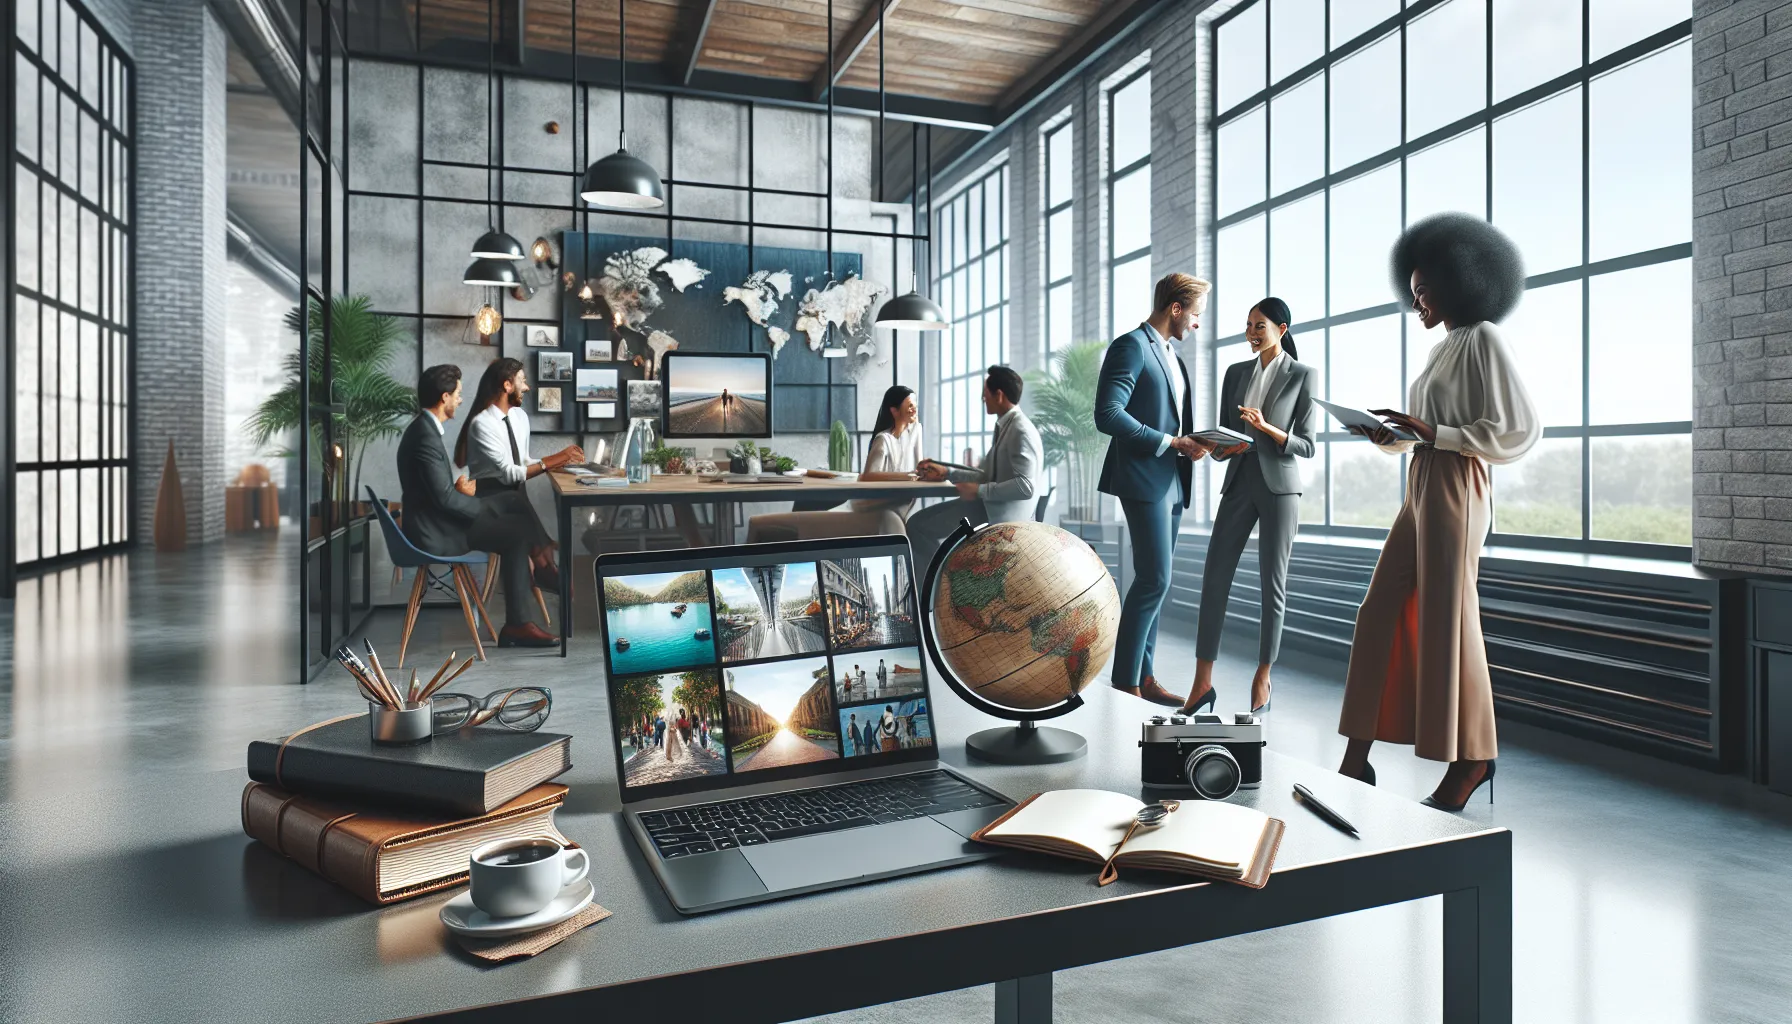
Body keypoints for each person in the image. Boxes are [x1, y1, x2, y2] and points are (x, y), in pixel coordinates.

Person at [1336, 213, 1539, 812]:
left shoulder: (1482, 338)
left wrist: (1434, 433)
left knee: (1451, 621)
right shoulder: (1442, 347)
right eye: (1414, 291)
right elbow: (1430, 432)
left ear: (1459, 284)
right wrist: (1393, 437)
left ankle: (1472, 759)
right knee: (1377, 611)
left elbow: (1517, 429)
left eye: (1425, 292)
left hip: (1458, 488)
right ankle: (1355, 753)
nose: (1417, 301)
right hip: (1420, 483)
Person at [1183, 297, 1318, 717]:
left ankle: (1263, 676)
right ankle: (1202, 682)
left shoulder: (1302, 375)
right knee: (1214, 576)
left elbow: (1307, 445)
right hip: (1239, 481)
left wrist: (1267, 428)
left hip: (1280, 488)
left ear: (1282, 328)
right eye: (1248, 326)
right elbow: (1228, 434)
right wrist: (1214, 446)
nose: (1252, 333)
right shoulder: (1235, 372)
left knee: (1271, 585)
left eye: (1260, 326)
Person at [1096, 274, 1213, 707]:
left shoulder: (1171, 356)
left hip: (1173, 481)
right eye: (1196, 313)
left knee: (1158, 585)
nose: (1198, 324)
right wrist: (1170, 442)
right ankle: (1125, 682)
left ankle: (1144, 676)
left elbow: (1172, 419)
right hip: (1144, 479)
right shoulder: (1131, 346)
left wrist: (1198, 443)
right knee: (1153, 579)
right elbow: (1108, 414)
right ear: (1177, 308)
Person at [396, 364, 556, 647]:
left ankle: (543, 567)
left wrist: (468, 492)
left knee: (512, 499)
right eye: (457, 394)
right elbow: (445, 499)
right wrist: (482, 507)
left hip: (437, 520)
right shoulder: (424, 437)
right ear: (444, 398)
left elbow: (438, 491)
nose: (460, 399)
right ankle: (521, 620)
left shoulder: (425, 431)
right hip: (434, 533)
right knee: (515, 533)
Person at [910, 366, 1044, 574]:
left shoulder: (1020, 430)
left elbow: (1025, 487)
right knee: (917, 523)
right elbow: (985, 475)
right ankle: (940, 582)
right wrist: (947, 472)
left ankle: (938, 583)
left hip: (996, 517)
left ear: (998, 395)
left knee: (917, 526)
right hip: (987, 506)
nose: (983, 399)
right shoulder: (1006, 426)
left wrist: (980, 491)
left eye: (985, 394)